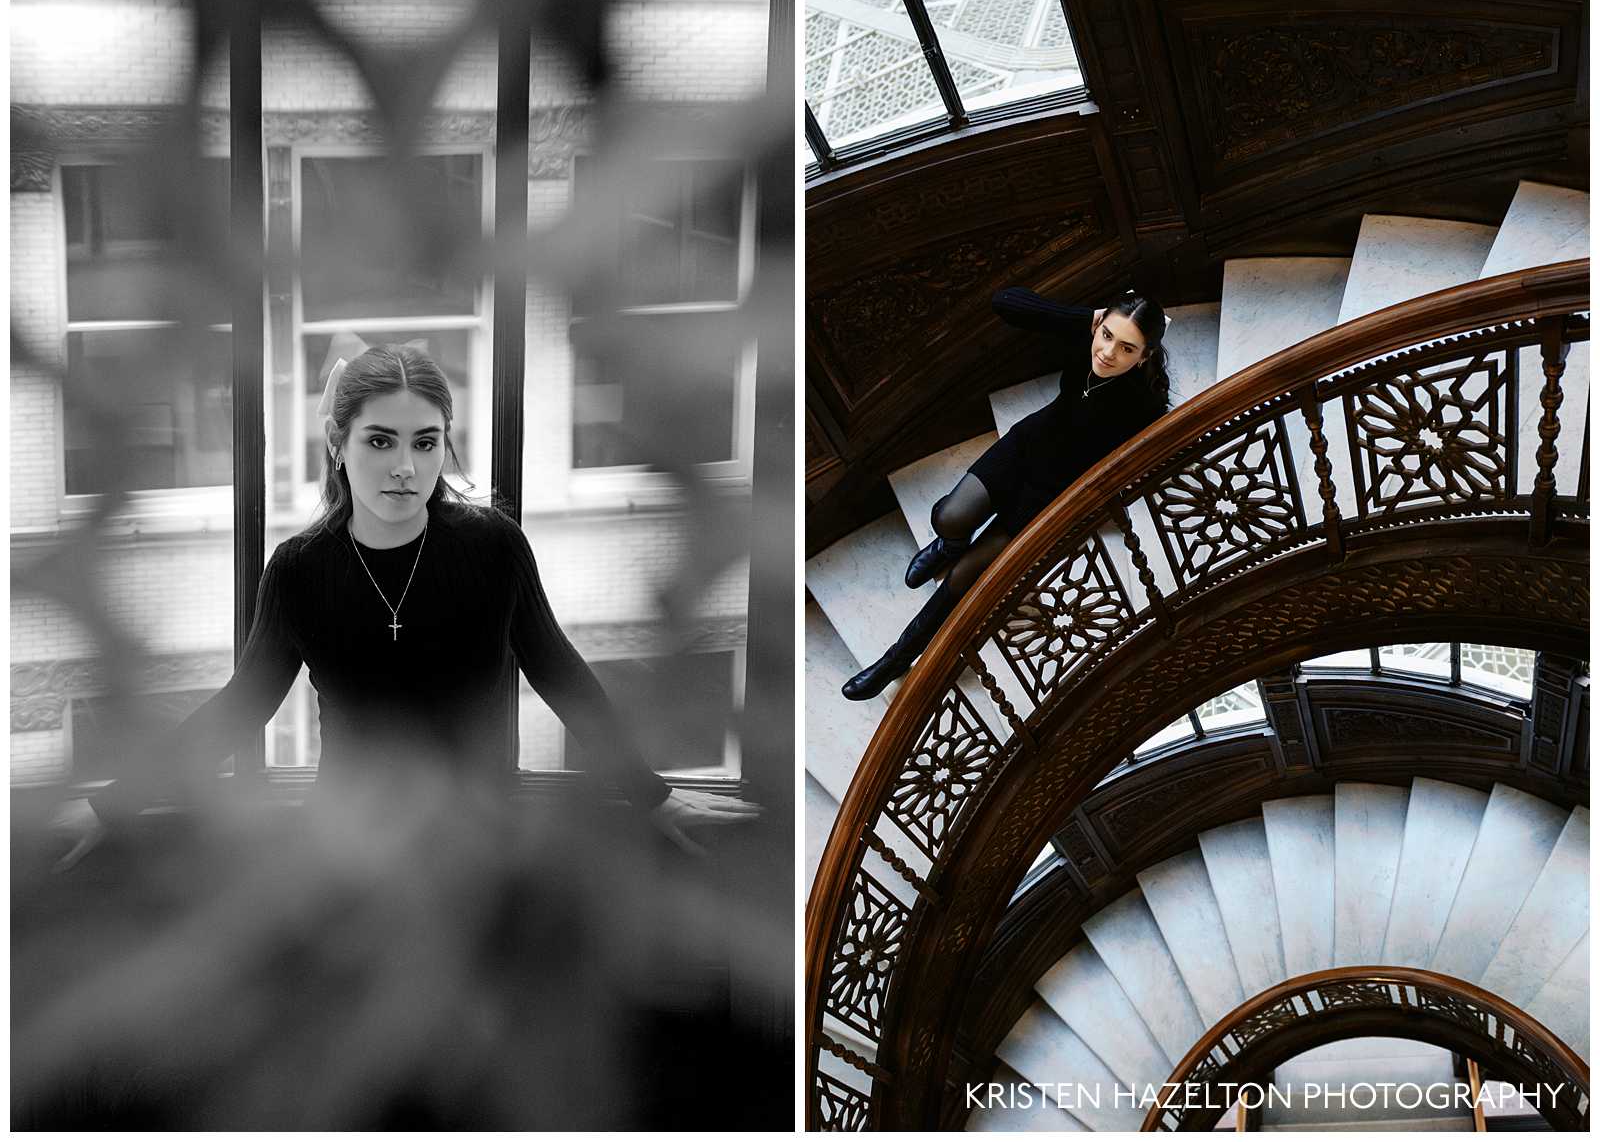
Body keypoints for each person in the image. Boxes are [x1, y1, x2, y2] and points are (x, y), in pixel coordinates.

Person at [55, 342, 756, 864]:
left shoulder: (493, 548)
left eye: (425, 443)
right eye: (380, 440)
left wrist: (655, 795)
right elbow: (239, 709)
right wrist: (107, 804)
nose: (404, 467)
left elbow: (562, 675)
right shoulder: (300, 569)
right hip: (350, 854)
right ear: (337, 444)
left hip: (477, 846)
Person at [842, 288, 1171, 700]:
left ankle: (894, 660)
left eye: (1126, 349)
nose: (1107, 353)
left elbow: (1144, 465)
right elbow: (1003, 302)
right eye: (1106, 335)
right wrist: (1083, 319)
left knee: (964, 581)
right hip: (1025, 447)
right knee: (948, 518)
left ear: (1143, 356)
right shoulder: (1086, 340)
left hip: (1049, 495)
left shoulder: (1144, 404)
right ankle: (948, 545)